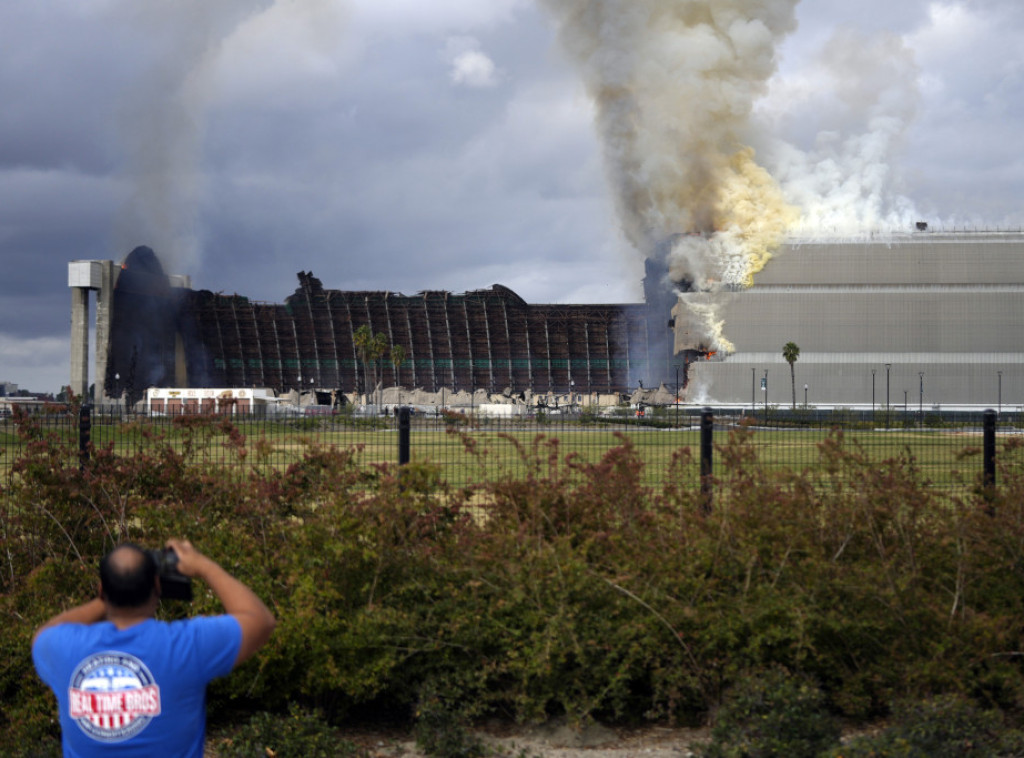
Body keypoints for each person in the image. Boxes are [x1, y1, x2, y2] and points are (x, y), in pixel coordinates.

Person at [32, 539, 276, 756]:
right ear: (157, 587)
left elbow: (45, 633)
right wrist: (203, 565)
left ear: (102, 591)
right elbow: (260, 620)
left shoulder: (62, 649)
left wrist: (114, 593)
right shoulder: (185, 646)